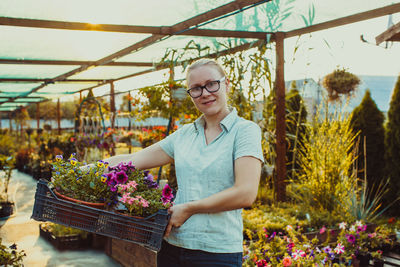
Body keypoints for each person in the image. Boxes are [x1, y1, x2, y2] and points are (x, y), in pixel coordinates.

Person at [104, 58, 263, 267]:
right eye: (196, 89)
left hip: (216, 253)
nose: (205, 93)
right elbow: (131, 160)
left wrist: (189, 208)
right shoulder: (185, 135)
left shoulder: (244, 131)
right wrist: (85, 169)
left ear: (227, 84)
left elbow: (245, 193)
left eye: (211, 84)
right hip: (172, 248)